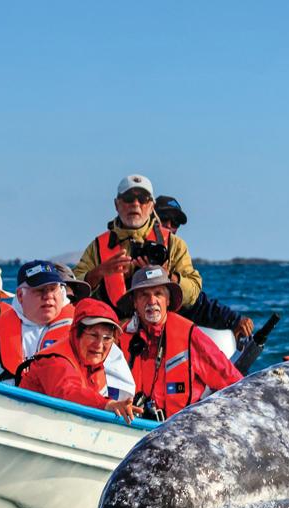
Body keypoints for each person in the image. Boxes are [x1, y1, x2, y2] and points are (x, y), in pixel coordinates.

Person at [0, 260, 136, 399]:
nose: (48, 296)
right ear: (20, 295)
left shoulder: (88, 325)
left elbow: (123, 390)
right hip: (16, 406)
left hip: (79, 408)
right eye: (40, 290)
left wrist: (108, 404)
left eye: (53, 289)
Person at [118, 266, 243, 420]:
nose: (152, 301)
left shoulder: (190, 334)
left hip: (182, 430)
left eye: (158, 294)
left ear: (168, 300)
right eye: (144, 295)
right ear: (135, 302)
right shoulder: (119, 336)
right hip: (130, 425)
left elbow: (232, 382)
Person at [74, 174, 202, 315]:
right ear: (117, 204)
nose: (135, 204)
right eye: (128, 199)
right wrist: (99, 272)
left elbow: (194, 292)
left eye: (142, 199)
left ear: (151, 206)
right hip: (113, 329)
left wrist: (167, 276)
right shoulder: (97, 246)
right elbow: (72, 290)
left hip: (158, 326)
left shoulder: (174, 244)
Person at [17, 299, 143, 423]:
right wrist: (107, 404)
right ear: (76, 333)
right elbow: (69, 392)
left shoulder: (92, 364)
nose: (99, 345)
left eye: (107, 338)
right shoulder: (55, 361)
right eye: (93, 335)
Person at [155, 194, 254, 340]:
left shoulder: (177, 251)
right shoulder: (126, 247)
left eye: (175, 222)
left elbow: (196, 302)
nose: (169, 225)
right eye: (163, 218)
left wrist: (234, 320)